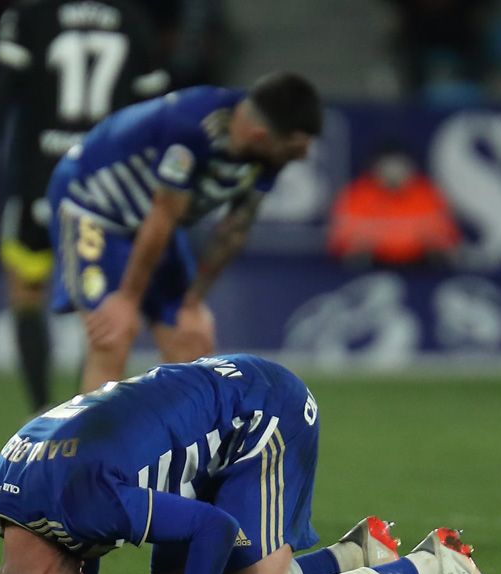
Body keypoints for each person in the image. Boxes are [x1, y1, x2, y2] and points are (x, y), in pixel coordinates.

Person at [0, 354, 501, 574]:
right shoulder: (1, 495)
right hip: (198, 429)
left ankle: (431, 568)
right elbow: (80, 543)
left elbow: (210, 527)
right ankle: (355, 555)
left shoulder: (84, 504)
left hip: (261, 415)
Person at [48, 72, 321, 394]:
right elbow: (163, 212)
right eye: (295, 148)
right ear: (261, 135)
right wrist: (127, 298)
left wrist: (192, 301)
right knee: (114, 334)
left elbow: (233, 231)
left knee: (193, 337)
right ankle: (92, 441)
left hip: (154, 223)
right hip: (92, 207)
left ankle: (189, 441)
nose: (301, 156)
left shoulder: (271, 153)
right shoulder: (191, 123)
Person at [0, 0, 167, 413]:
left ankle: (41, 413)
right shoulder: (131, 19)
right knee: (101, 303)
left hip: (42, 178)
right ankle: (85, 413)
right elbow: (157, 109)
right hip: (109, 185)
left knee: (25, 289)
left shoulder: (29, 16)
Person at [327, 143, 460, 267]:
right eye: (388, 166)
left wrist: (383, 235)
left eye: (399, 165)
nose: (394, 172)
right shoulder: (358, 194)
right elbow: (339, 238)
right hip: (372, 267)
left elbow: (447, 236)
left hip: (421, 267)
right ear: (375, 167)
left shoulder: (427, 194)